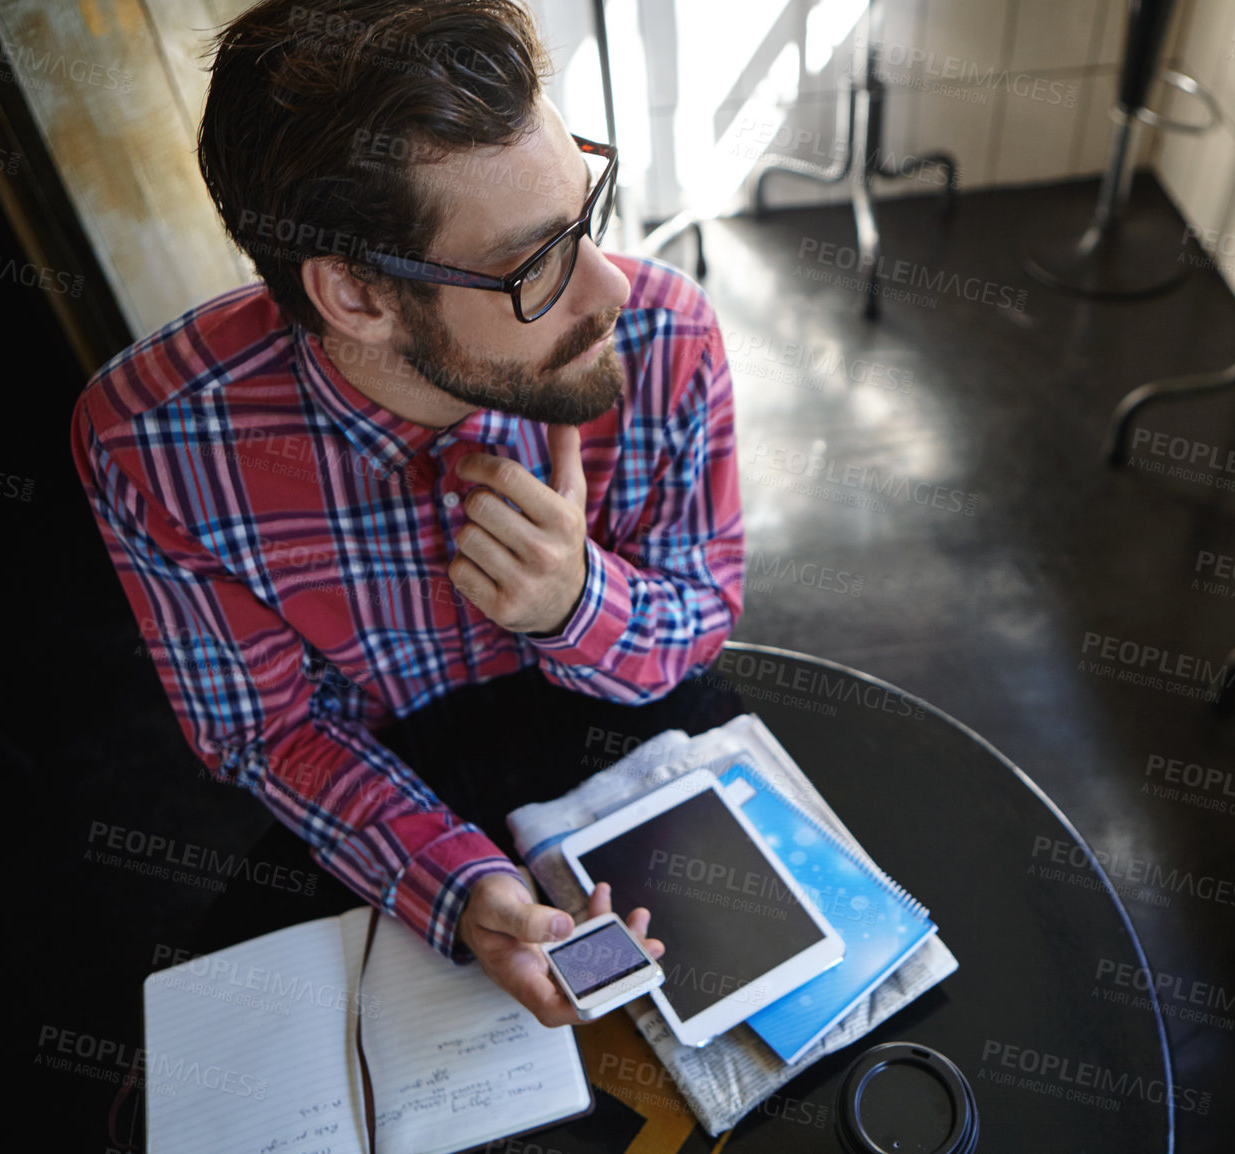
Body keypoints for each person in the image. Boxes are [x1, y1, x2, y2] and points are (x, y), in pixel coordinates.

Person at [68, 0, 744, 1027]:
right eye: (533, 264)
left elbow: (699, 618)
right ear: (356, 297)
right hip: (387, 784)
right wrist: (456, 885)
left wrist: (576, 600)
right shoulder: (151, 442)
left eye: (587, 204)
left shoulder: (666, 338)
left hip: (634, 732)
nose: (610, 287)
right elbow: (269, 732)